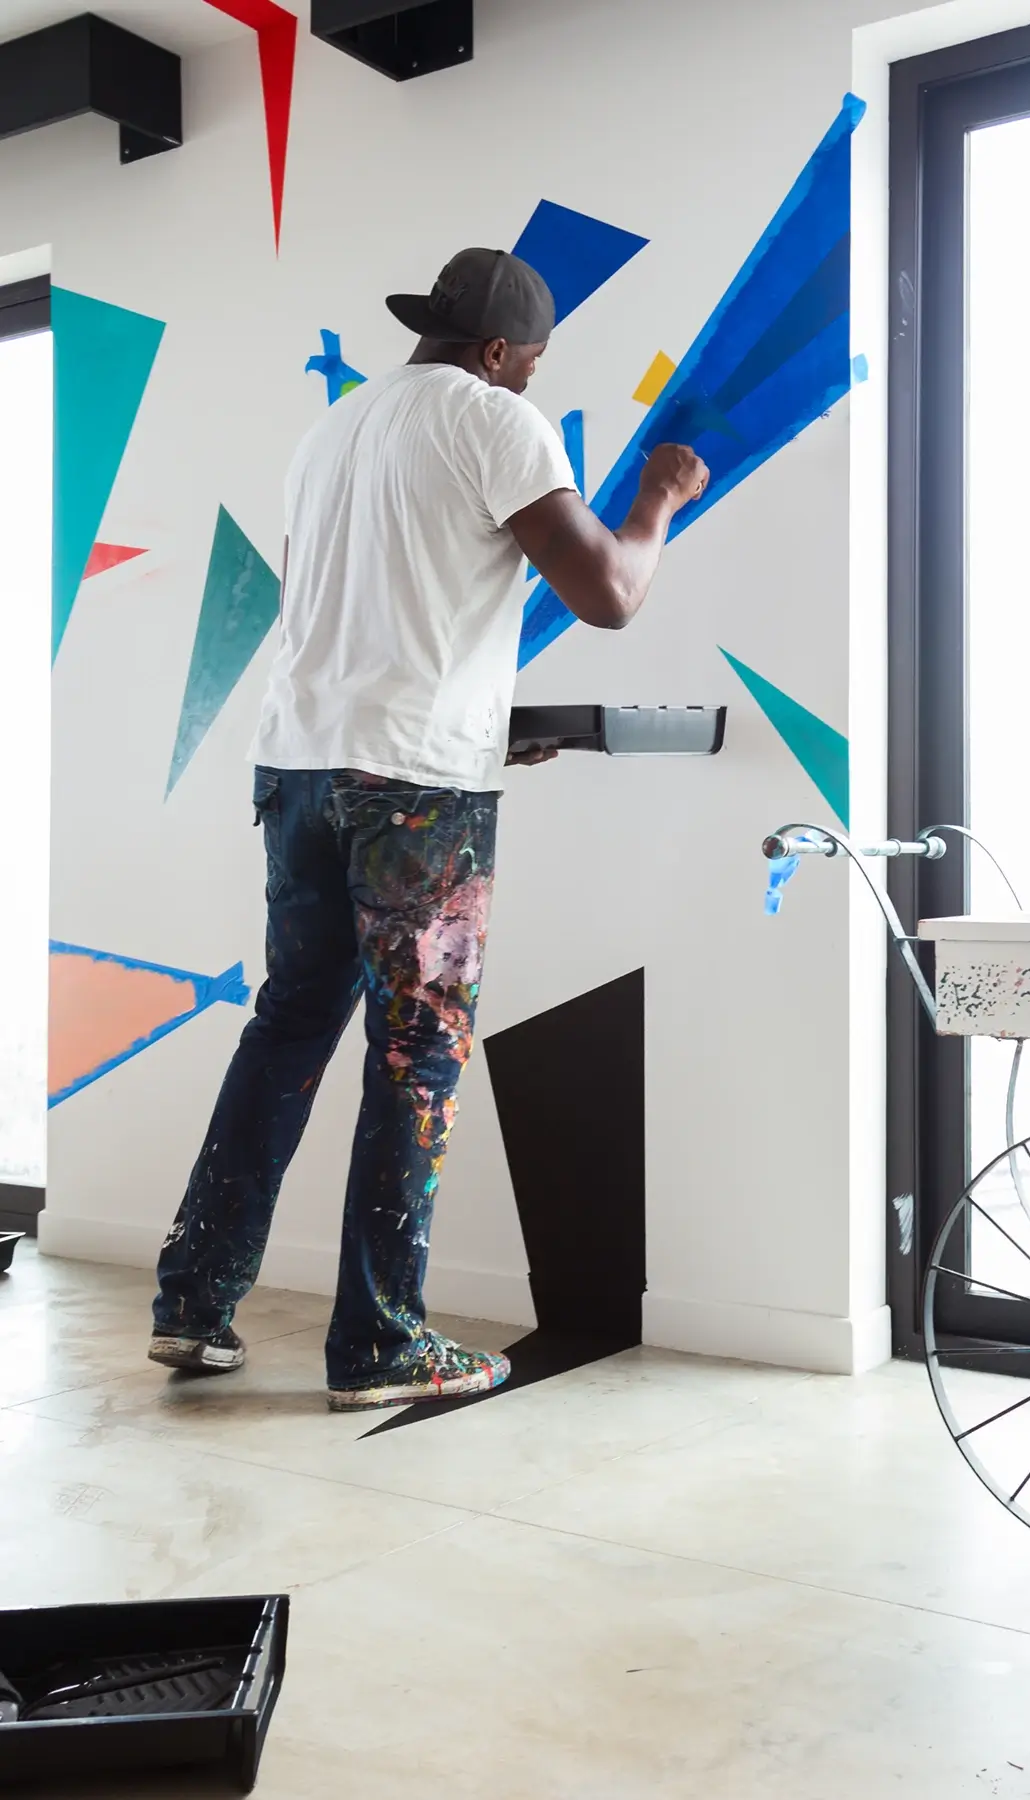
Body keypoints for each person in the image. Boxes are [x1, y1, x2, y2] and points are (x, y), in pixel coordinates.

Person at [148, 247, 710, 1411]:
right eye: (532, 364)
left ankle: (194, 1304)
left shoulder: (332, 436)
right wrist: (658, 500)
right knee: (420, 1056)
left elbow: (347, 616)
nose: (529, 382)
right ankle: (380, 1343)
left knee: (288, 1026)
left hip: (299, 768)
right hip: (411, 792)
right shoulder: (499, 422)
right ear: (500, 352)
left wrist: (475, 727)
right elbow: (607, 591)